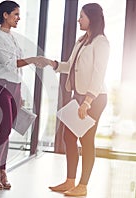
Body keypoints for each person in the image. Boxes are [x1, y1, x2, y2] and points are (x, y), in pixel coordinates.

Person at [40, 3, 109, 196]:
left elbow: (98, 74)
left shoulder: (101, 42)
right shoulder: (81, 41)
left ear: (92, 19)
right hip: (78, 95)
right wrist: (52, 64)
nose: (79, 20)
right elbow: (70, 66)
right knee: (68, 137)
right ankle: (70, 181)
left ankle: (83, 185)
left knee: (87, 139)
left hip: (94, 98)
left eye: (82, 16)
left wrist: (87, 102)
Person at [0, 0, 43, 190]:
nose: (18, 18)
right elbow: (11, 63)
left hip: (15, 87)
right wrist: (34, 60)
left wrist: (19, 93)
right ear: (5, 15)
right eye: (16, 14)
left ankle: (2, 170)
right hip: (1, 87)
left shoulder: (12, 37)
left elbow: (17, 65)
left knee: (9, 131)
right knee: (4, 129)